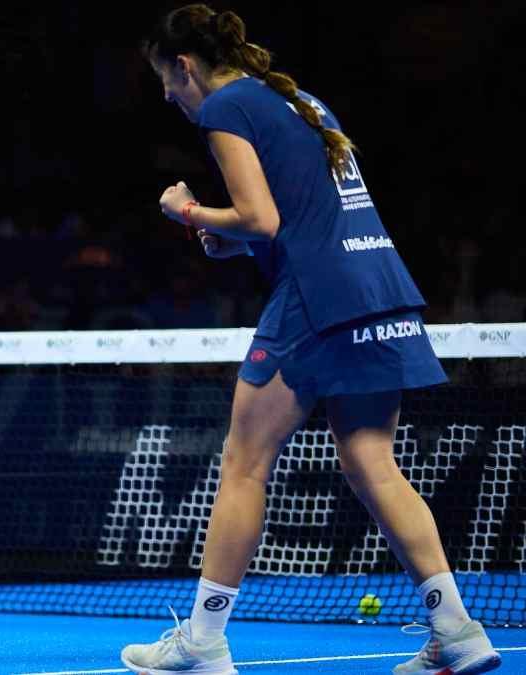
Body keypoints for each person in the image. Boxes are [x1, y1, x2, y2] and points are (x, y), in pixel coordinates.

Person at [119, 5, 501, 675]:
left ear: (185, 66)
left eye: (166, 80)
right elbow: (302, 215)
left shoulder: (225, 107)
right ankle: (458, 631)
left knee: (244, 461)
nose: (167, 96)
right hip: (377, 284)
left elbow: (261, 217)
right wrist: (233, 239)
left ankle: (203, 641)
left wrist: (187, 210)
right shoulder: (299, 101)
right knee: (372, 461)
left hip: (315, 301)